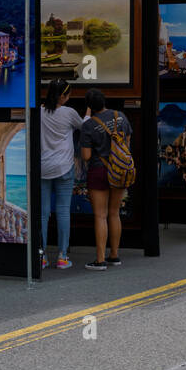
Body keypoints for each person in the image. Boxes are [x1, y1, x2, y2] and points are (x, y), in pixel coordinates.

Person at [80, 88, 134, 270]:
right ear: (104, 101)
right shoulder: (121, 117)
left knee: (100, 215)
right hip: (119, 170)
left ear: (89, 106)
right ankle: (115, 255)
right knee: (114, 213)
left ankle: (100, 259)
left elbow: (86, 156)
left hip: (99, 171)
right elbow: (127, 143)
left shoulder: (88, 126)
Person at [39, 78, 83, 270]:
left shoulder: (39, 111)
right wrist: (88, 115)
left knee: (43, 213)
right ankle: (62, 256)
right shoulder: (69, 112)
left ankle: (41, 256)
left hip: (43, 167)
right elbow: (84, 126)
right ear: (64, 96)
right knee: (63, 211)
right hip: (64, 167)